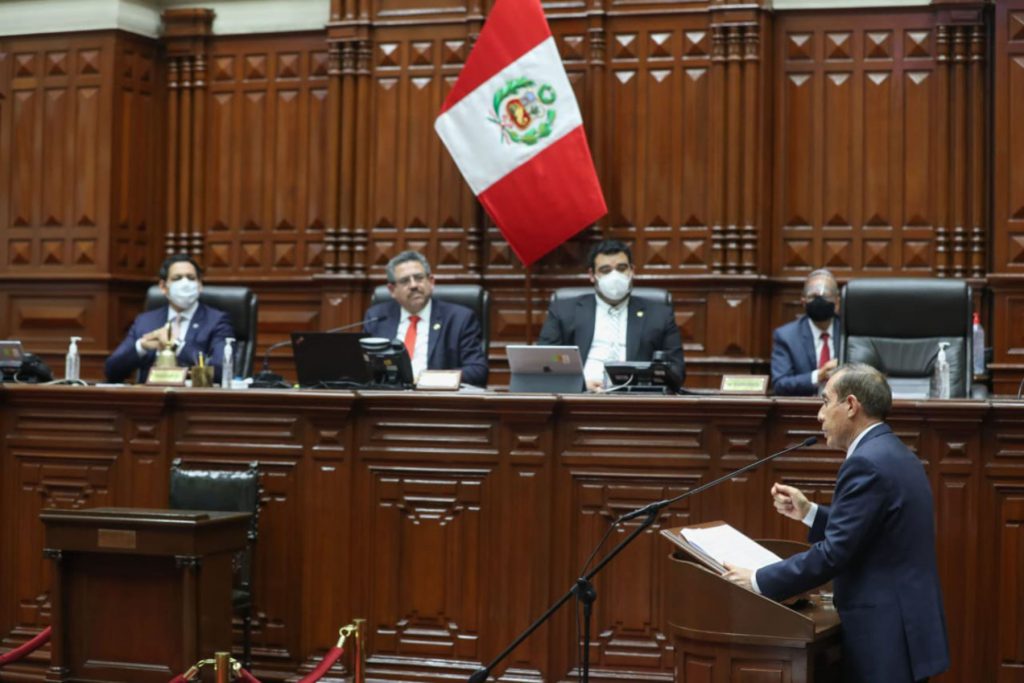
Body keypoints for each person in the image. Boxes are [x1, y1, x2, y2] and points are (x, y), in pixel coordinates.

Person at [723, 364, 950, 683]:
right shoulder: (896, 453)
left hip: (886, 635)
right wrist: (809, 512)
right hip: (904, 626)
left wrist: (759, 580)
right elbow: (873, 530)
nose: (819, 415)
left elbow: (834, 554)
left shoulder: (866, 463)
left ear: (851, 405)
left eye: (825, 401)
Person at [536, 239, 685, 391]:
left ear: (632, 271)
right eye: (605, 270)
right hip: (581, 396)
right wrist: (581, 385)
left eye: (621, 268)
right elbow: (544, 363)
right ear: (592, 275)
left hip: (634, 398)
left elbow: (677, 372)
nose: (615, 276)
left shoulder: (659, 314)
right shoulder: (564, 311)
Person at [364, 251, 489, 387]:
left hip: (436, 396)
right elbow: (363, 366)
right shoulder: (377, 318)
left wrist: (429, 380)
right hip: (388, 396)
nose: (413, 285)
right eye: (405, 281)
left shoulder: (460, 318)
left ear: (431, 282)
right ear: (392, 290)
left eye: (419, 278)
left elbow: (477, 370)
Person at [105, 254, 235, 383]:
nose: (185, 283)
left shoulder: (217, 321)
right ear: (163, 287)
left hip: (192, 394)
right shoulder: (146, 321)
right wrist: (141, 347)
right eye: (177, 278)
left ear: (200, 285)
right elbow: (111, 371)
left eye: (191, 278)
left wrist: (175, 345)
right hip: (150, 394)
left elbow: (222, 370)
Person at [771, 268, 841, 396]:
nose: (819, 300)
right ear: (803, 301)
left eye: (826, 295)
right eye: (812, 296)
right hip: (804, 406)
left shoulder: (850, 332)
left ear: (837, 301)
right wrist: (818, 376)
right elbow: (780, 384)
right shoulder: (786, 336)